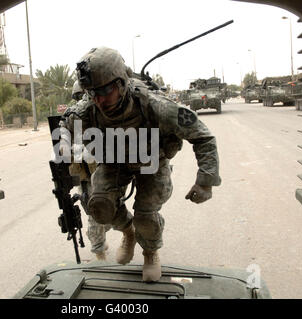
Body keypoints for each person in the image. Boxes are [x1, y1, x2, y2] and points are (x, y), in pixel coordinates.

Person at [60, 47, 221, 282]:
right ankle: (128, 232)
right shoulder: (90, 107)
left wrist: (205, 181)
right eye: (92, 92)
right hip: (114, 161)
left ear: (122, 83)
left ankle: (150, 252)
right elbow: (67, 124)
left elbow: (203, 136)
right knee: (100, 207)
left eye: (105, 90)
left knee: (145, 215)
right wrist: (65, 144)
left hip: (151, 162)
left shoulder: (157, 106)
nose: (99, 99)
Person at [68, 81, 112, 261]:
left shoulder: (104, 117)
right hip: (88, 180)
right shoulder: (72, 120)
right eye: (78, 97)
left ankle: (101, 238)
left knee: (109, 218)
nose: (82, 101)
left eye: (84, 97)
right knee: (95, 217)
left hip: (108, 176)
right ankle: (100, 253)